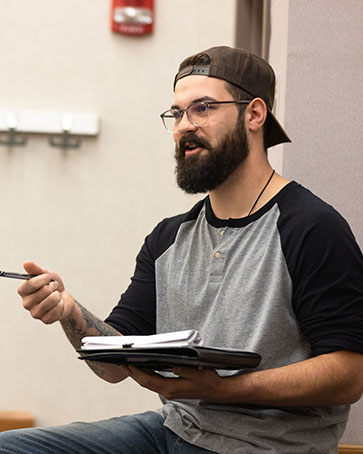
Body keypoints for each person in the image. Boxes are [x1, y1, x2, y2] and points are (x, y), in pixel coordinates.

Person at [0, 46, 362, 454]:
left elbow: (350, 375)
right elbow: (112, 367)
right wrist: (68, 311)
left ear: (254, 115)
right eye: (177, 113)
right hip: (174, 431)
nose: (184, 126)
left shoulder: (312, 228)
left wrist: (226, 389)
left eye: (202, 108)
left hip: (266, 446)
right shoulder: (168, 239)